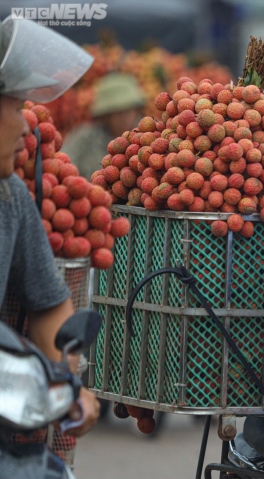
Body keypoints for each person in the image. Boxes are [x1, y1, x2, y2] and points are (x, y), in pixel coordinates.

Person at [0, 16, 99, 438]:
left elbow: (49, 303)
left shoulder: (12, 199)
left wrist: (67, 380)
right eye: (15, 107)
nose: (27, 125)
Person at [62, 72, 146, 180]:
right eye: (117, 112)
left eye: (127, 110)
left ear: (136, 110)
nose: (123, 117)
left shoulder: (147, 137)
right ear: (106, 116)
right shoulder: (84, 137)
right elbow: (63, 164)